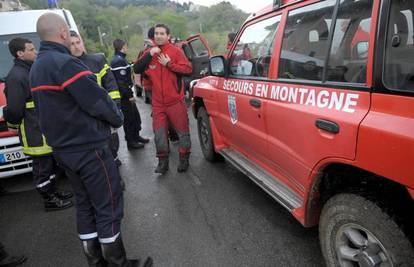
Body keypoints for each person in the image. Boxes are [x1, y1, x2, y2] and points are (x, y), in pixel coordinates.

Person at [30, 13, 152, 267]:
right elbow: (97, 101)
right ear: (63, 33)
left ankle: (95, 261)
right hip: (88, 148)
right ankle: (119, 263)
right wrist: (117, 119)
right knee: (108, 202)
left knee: (85, 206)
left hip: (64, 150)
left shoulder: (38, 66)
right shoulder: (65, 64)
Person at [3, 37, 73, 211]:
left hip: (42, 126)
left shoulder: (29, 70)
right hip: (32, 129)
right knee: (42, 167)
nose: (36, 51)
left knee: (49, 164)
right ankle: (49, 199)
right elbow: (15, 110)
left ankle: (54, 191)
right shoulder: (16, 76)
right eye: (31, 49)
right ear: (20, 53)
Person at [134, 24, 192, 174]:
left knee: (182, 132)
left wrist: (169, 64)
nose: (159, 36)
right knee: (159, 134)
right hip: (158, 104)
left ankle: (184, 158)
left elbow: (188, 69)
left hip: (175, 102)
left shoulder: (176, 51)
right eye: (156, 33)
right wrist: (150, 54)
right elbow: (137, 69)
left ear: (168, 36)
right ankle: (162, 162)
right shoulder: (149, 53)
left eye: (162, 33)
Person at [69, 31, 123, 167]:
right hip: (80, 119)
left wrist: (115, 107)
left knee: (111, 149)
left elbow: (111, 85)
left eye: (78, 42)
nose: (76, 46)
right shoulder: (65, 65)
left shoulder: (97, 60)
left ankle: (115, 169)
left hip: (102, 115)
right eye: (71, 44)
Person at [111, 39, 149, 150]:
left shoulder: (121, 59)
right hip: (124, 96)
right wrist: (129, 95)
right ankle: (131, 142)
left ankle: (136, 137)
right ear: (123, 47)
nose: (127, 48)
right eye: (126, 46)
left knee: (135, 117)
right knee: (129, 119)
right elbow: (121, 82)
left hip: (126, 94)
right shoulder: (118, 61)